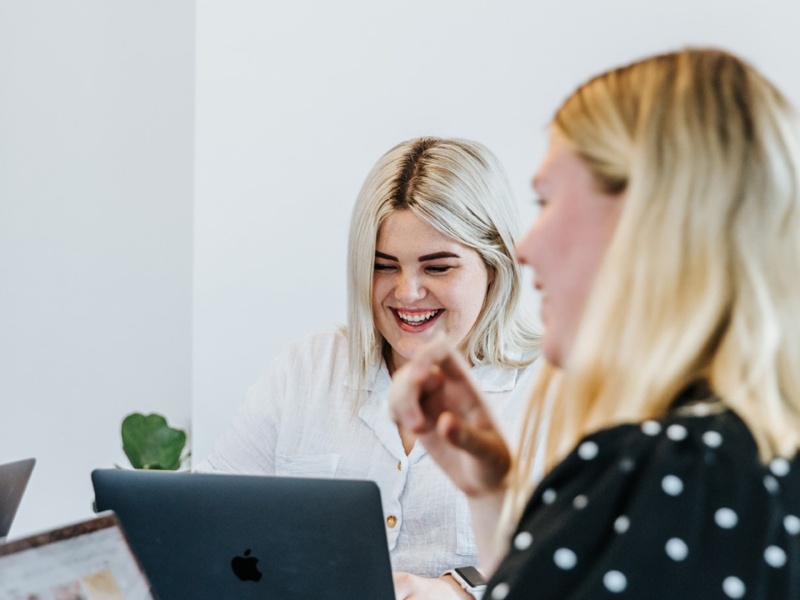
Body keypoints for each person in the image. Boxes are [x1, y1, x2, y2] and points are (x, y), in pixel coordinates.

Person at [389, 48, 800, 599]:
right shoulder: (749, 462)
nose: (524, 248)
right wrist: (490, 496)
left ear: (647, 218)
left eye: (546, 200)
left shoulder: (662, 470)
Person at [196, 136, 541, 598]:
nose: (407, 292)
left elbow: (589, 570)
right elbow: (202, 517)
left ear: (495, 266)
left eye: (437, 268)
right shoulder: (306, 371)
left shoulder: (554, 391)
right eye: (383, 266)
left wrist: (461, 592)